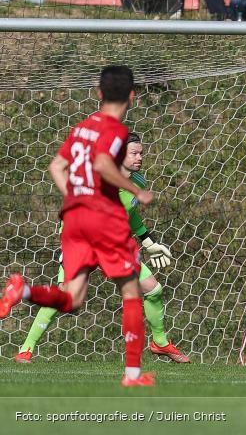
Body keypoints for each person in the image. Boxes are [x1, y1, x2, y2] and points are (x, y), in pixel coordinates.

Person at [0, 66, 156, 386]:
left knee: (72, 299)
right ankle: (132, 375)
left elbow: (56, 166)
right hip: (103, 218)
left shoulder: (82, 127)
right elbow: (101, 164)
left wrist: (77, 197)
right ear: (132, 96)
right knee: (131, 291)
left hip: (73, 218)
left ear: (98, 93)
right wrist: (135, 189)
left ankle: (24, 290)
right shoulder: (116, 130)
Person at [14, 133, 190, 364]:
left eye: (141, 153)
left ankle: (159, 342)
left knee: (153, 289)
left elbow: (132, 216)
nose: (140, 158)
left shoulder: (137, 182)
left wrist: (149, 242)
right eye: (134, 153)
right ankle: (26, 349)